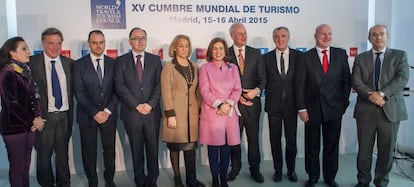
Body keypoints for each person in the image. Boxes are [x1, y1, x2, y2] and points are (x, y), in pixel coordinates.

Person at [352, 24, 409, 187]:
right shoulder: (360, 58)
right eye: (374, 34)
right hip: (366, 110)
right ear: (369, 38)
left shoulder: (399, 56)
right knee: (364, 151)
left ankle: (381, 182)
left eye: (382, 34)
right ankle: (363, 181)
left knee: (386, 151)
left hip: (390, 110)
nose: (378, 37)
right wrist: (373, 95)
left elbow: (402, 78)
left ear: (387, 36)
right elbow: (356, 80)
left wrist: (382, 94)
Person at [295, 24, 351, 187]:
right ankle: (312, 176)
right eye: (323, 34)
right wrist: (302, 108)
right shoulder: (306, 57)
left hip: (334, 109)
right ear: (315, 36)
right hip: (312, 109)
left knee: (331, 145)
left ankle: (329, 177)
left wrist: (343, 104)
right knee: (312, 146)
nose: (326, 37)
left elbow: (346, 81)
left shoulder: (340, 54)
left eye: (329, 34)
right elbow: (299, 85)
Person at [114, 27, 162, 187]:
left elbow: (159, 85)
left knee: (153, 148)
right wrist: (136, 105)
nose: (140, 41)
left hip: (152, 112)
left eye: (143, 38)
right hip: (131, 113)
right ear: (130, 41)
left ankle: (153, 179)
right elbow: (119, 86)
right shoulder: (121, 61)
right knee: (136, 149)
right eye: (136, 38)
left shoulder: (155, 60)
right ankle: (140, 180)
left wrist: (150, 104)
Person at [29, 27, 74, 187]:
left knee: (63, 156)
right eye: (51, 43)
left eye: (58, 43)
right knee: (44, 155)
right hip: (44, 118)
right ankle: (46, 184)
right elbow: (24, 93)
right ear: (43, 43)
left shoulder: (70, 63)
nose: (55, 47)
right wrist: (33, 117)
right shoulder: (32, 63)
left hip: (64, 117)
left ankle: (64, 183)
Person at [73, 30, 119, 187]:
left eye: (101, 42)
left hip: (109, 116)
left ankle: (109, 180)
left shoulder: (114, 64)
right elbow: (79, 92)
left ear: (105, 43)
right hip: (87, 116)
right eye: (94, 42)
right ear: (89, 44)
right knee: (89, 153)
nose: (98, 46)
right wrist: (94, 112)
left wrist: (106, 112)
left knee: (109, 151)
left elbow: (117, 91)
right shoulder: (78, 65)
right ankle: (92, 181)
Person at [0, 36, 45, 187]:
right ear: (12, 53)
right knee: (18, 168)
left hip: (29, 127)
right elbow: (12, 104)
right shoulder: (7, 73)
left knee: (25, 167)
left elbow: (35, 98)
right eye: (24, 49)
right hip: (14, 129)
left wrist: (37, 117)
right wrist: (33, 120)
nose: (29, 52)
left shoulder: (25, 72)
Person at [160, 34, 204, 187]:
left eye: (186, 46)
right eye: (181, 45)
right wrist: (170, 114)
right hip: (175, 114)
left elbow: (198, 91)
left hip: (191, 115)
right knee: (175, 146)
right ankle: (177, 178)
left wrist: (199, 110)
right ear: (175, 48)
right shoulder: (168, 66)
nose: (184, 48)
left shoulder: (194, 66)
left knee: (190, 148)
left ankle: (191, 180)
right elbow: (165, 92)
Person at [199, 37, 242, 187]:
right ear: (211, 51)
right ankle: (215, 178)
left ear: (225, 51)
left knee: (226, 148)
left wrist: (228, 104)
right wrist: (219, 105)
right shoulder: (205, 68)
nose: (218, 52)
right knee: (213, 148)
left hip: (229, 113)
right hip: (213, 112)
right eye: (215, 48)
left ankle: (223, 178)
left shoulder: (233, 68)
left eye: (221, 48)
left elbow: (238, 89)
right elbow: (204, 91)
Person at [227, 23, 266, 183]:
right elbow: (222, 82)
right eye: (239, 33)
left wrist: (256, 91)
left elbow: (263, 78)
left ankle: (254, 169)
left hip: (253, 105)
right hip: (233, 106)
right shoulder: (225, 54)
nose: (244, 36)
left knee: (253, 138)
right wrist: (238, 97)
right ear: (232, 36)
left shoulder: (255, 53)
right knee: (234, 139)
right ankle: (235, 167)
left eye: (245, 33)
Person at [262, 26, 302, 183]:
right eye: (277, 36)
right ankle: (278, 170)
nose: (280, 39)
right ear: (273, 39)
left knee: (291, 141)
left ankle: (291, 170)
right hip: (274, 106)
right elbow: (262, 80)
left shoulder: (299, 57)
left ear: (288, 37)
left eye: (283, 36)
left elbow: (302, 82)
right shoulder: (266, 58)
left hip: (292, 106)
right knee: (275, 140)